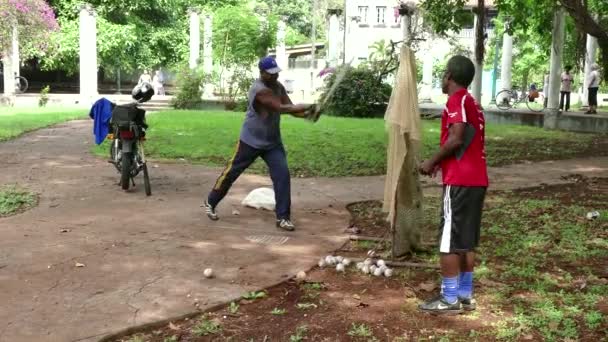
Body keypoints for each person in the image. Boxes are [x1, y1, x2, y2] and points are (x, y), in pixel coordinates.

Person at [202, 56, 313, 231]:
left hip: (272, 143)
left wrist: (308, 115)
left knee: (282, 175)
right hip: (250, 141)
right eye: (271, 74)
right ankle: (210, 201)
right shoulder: (259, 90)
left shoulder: (278, 86)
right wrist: (309, 106)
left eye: (276, 73)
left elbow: (290, 108)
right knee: (232, 173)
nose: (275, 77)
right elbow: (281, 108)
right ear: (261, 73)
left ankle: (283, 217)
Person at [418, 55, 489, 314]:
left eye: (443, 73)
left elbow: (457, 138)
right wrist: (440, 163)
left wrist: (430, 161)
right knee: (466, 241)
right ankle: (464, 294)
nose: (442, 77)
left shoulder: (456, 100)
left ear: (449, 76)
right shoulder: (473, 104)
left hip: (460, 181)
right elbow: (466, 143)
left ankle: (449, 299)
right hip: (477, 180)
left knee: (448, 241)